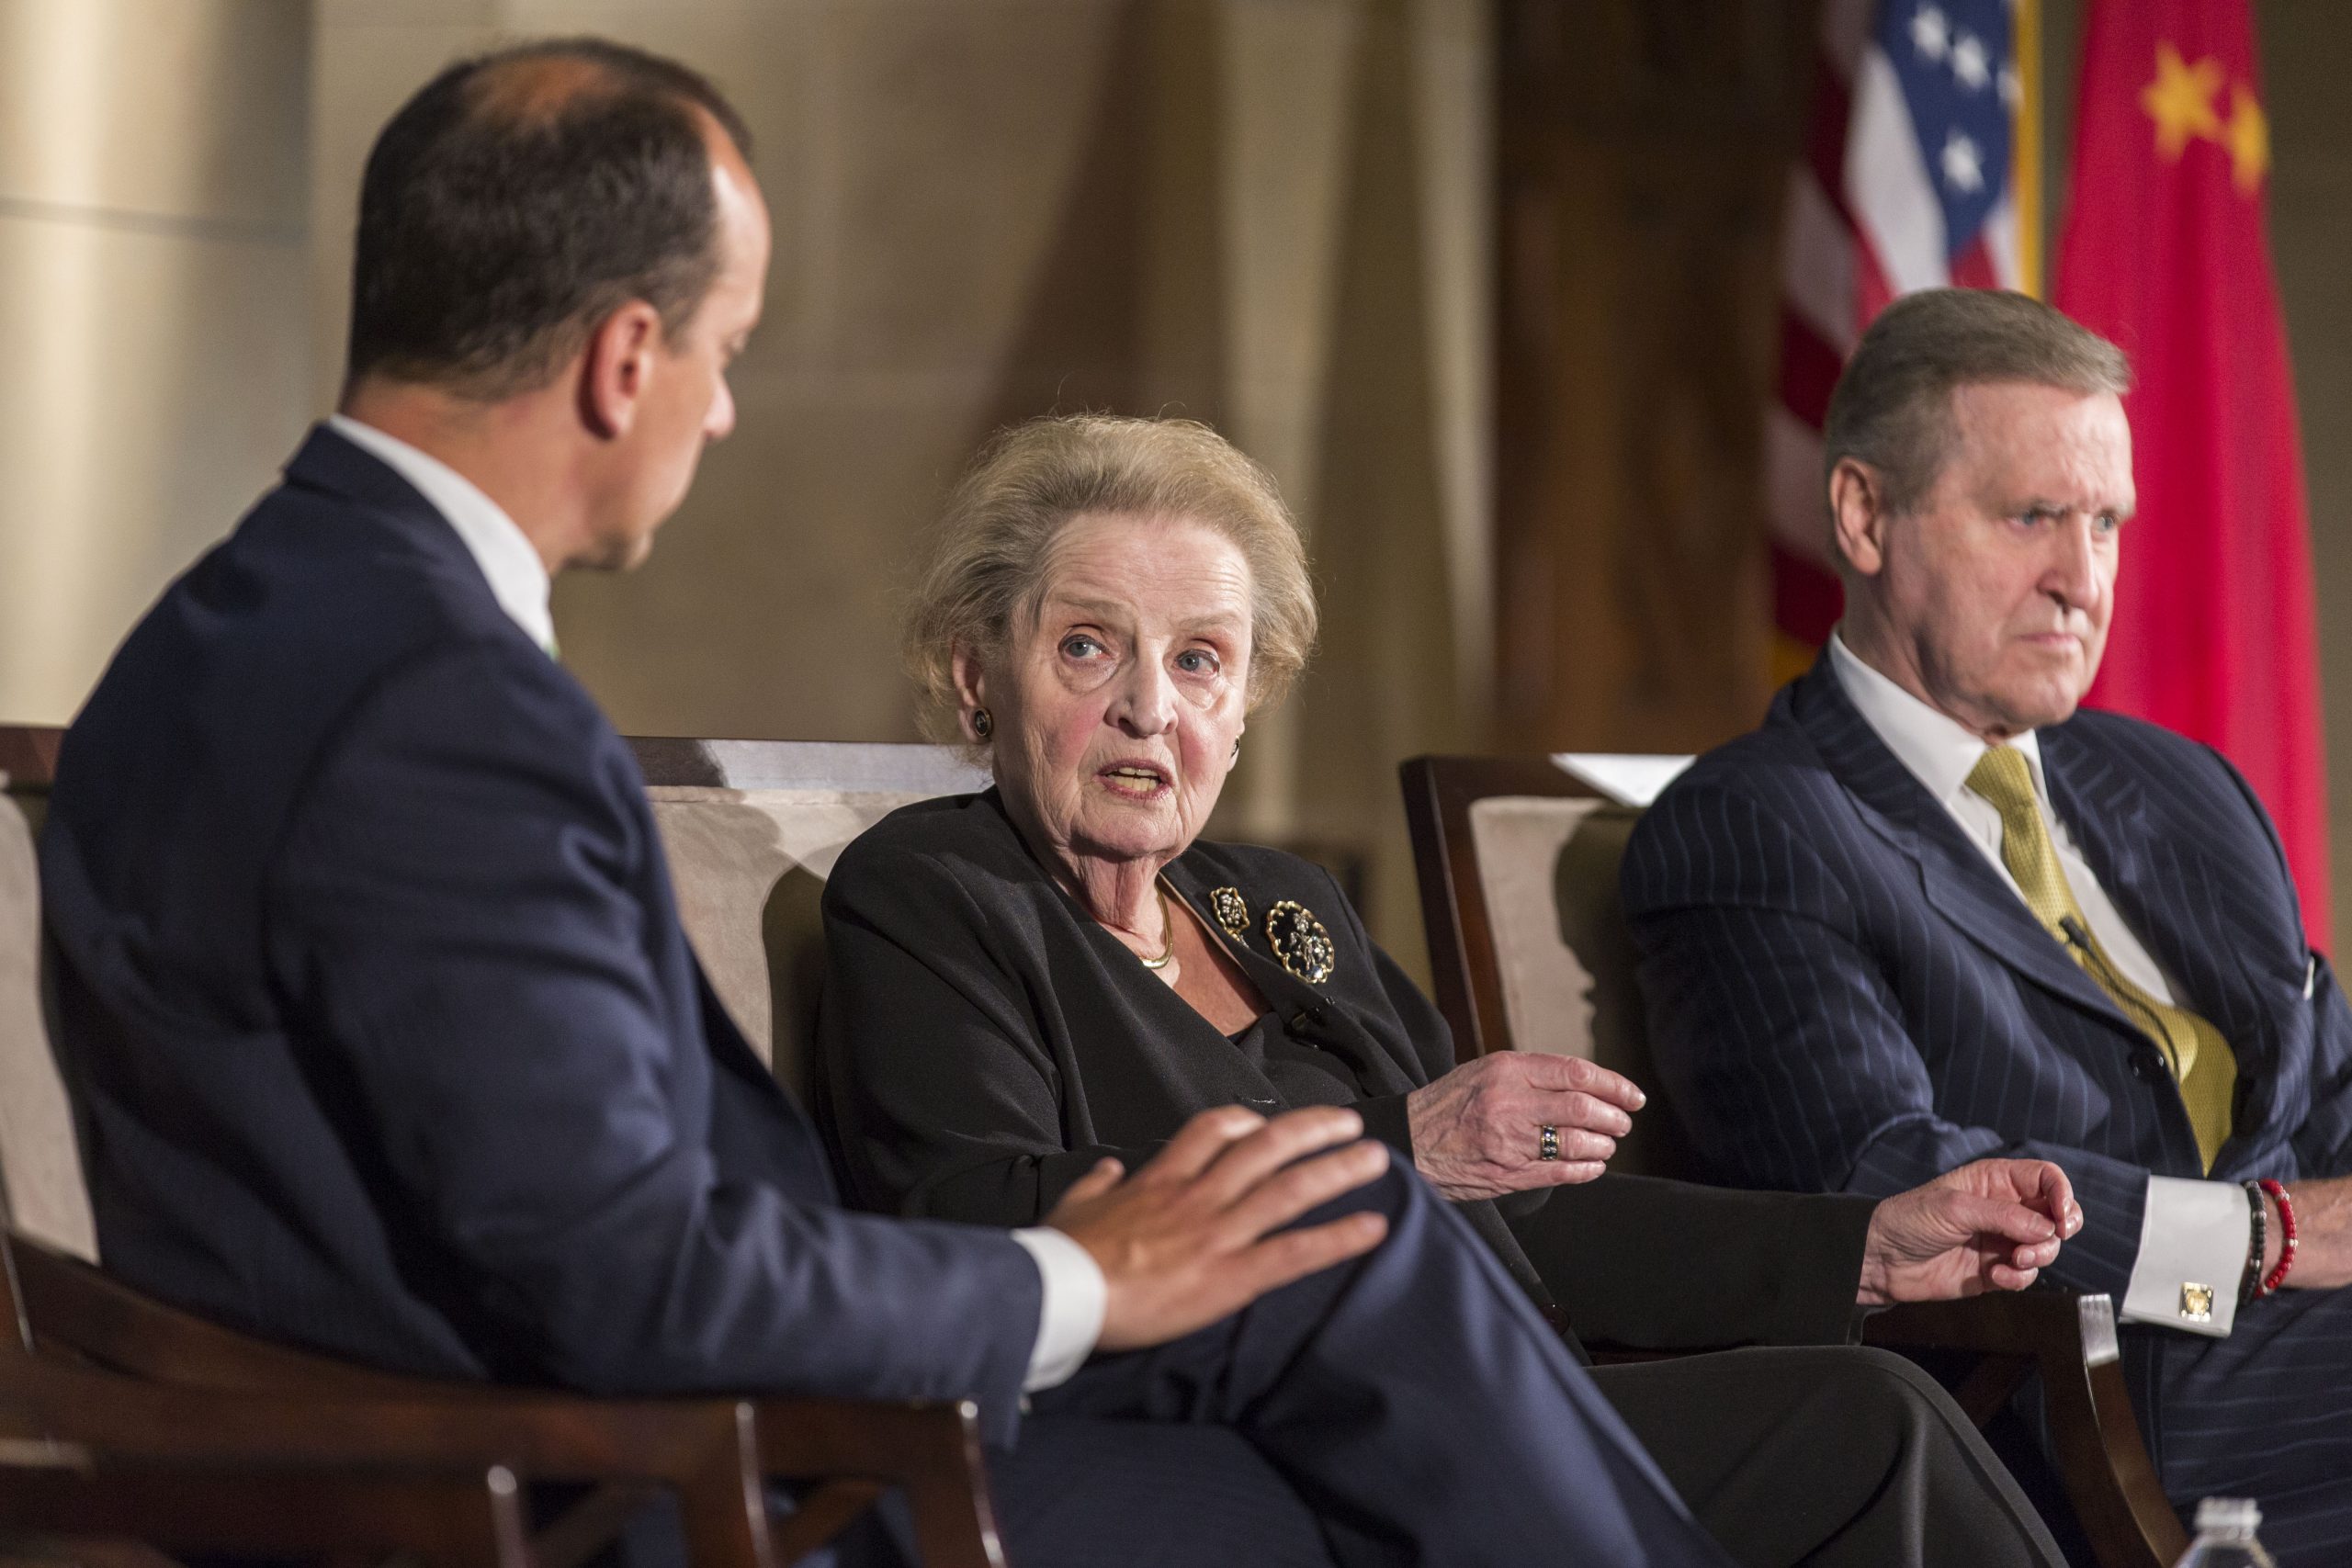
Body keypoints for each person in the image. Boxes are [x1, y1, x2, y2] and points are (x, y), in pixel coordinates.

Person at [43, 36, 1840, 1568]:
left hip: (544, 1426)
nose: (723, 414)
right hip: (609, 1483)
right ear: (623, 359)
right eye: (729, 351)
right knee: (1337, 1243)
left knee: (1358, 1351)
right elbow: (627, 1273)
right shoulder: (434, 711)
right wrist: (1082, 1280)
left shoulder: (233, 631)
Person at [814, 412, 2078, 1568]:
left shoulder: (1281, 905)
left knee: (1873, 1420)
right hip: (1248, 1434)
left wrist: (1862, 1249)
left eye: (1200, 661)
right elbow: (973, 1211)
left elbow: (1523, 1222)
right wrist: (1397, 1145)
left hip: (1503, 1399)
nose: (1149, 707)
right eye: (1088, 647)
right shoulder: (935, 890)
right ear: (978, 677)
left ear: (1242, 711)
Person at [1620, 287, 2352, 1563]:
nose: (2082, 579)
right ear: (1864, 515)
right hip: (2080, 1396)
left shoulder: (2187, 787)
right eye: (2030, 518)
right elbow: (1877, 1174)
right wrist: (2261, 1240)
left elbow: (2330, 1084)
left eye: (2106, 522)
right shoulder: (1755, 826)